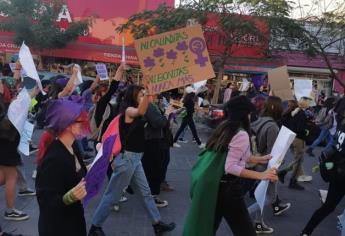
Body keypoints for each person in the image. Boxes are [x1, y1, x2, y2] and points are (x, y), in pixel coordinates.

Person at [88, 84, 175, 236]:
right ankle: (95, 226)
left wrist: (150, 97)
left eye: (143, 94)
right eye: (140, 94)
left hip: (135, 159)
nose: (143, 96)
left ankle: (157, 224)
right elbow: (141, 110)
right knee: (112, 195)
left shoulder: (137, 113)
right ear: (133, 97)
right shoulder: (128, 111)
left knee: (146, 192)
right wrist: (148, 94)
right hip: (127, 159)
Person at [183, 95, 278, 236]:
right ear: (246, 114)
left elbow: (234, 156)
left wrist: (258, 159)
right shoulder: (241, 134)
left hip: (216, 187)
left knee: (208, 228)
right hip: (228, 189)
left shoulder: (225, 126)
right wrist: (262, 175)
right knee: (245, 232)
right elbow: (231, 166)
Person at [36, 95, 89, 236]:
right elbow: (46, 201)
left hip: (73, 219)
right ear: (67, 124)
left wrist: (101, 160)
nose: (83, 123)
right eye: (80, 121)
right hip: (59, 227)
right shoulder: (54, 158)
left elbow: (76, 172)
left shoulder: (72, 146)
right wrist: (69, 197)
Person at [300, 97, 345, 236]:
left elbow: (336, 147)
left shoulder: (342, 126)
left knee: (328, 207)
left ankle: (306, 232)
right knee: (328, 207)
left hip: (337, 172)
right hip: (341, 172)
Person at [249, 96, 291, 234]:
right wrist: (281, 160)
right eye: (282, 107)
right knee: (270, 197)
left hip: (256, 161)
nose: (284, 109)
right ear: (276, 108)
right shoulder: (272, 126)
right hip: (266, 165)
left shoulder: (259, 120)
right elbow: (272, 153)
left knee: (261, 195)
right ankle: (242, 213)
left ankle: (258, 223)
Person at [0, 62, 33, 221]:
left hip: (6, 138)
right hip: (6, 138)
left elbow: (12, 85)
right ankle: (10, 210)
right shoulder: (9, 102)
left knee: (4, 175)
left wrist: (19, 69)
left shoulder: (6, 96)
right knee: (11, 176)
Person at [279, 98, 311, 190]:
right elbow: (300, 128)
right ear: (304, 104)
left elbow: (285, 123)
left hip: (291, 138)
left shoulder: (291, 112)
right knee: (298, 160)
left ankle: (284, 174)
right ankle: (292, 181)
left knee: (297, 160)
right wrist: (307, 130)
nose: (309, 103)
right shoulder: (301, 113)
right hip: (298, 139)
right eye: (308, 102)